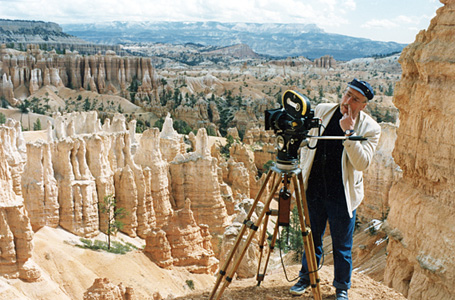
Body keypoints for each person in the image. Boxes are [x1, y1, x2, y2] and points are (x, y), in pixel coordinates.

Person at [289, 79, 381, 300]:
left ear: (363, 105)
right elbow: (306, 143)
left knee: (342, 246)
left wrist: (349, 133)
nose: (347, 101)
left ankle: (341, 288)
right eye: (347, 95)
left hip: (342, 196)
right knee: (312, 239)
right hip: (315, 190)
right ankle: (306, 277)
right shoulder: (323, 110)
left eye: (355, 99)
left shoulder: (371, 128)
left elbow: (361, 163)